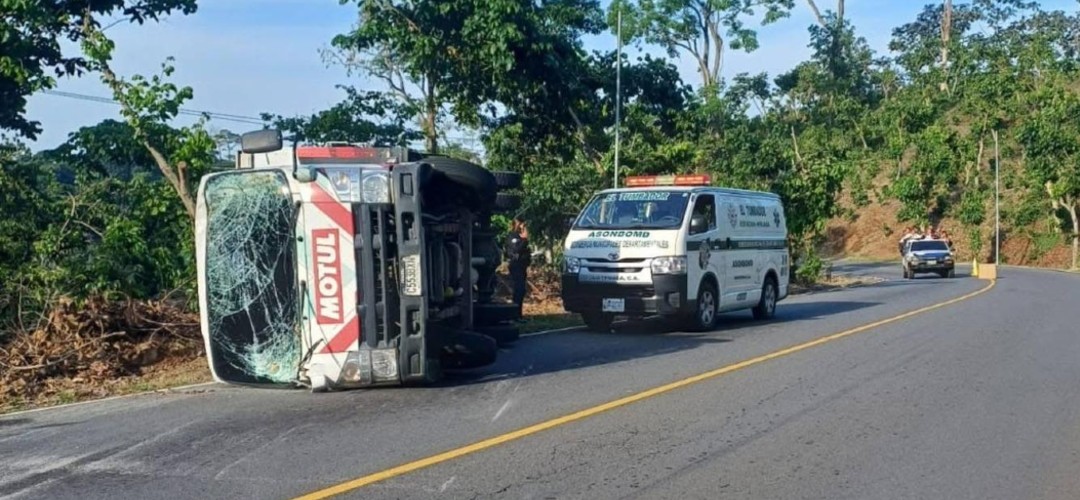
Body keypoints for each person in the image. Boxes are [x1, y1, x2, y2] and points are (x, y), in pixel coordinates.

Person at [505, 218, 531, 314]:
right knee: (518, 289)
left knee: (522, 290)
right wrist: (524, 239)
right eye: (522, 225)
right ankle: (514, 313)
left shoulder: (521, 237)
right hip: (515, 265)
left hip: (522, 266)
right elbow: (516, 250)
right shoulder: (512, 236)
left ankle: (519, 313)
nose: (524, 227)